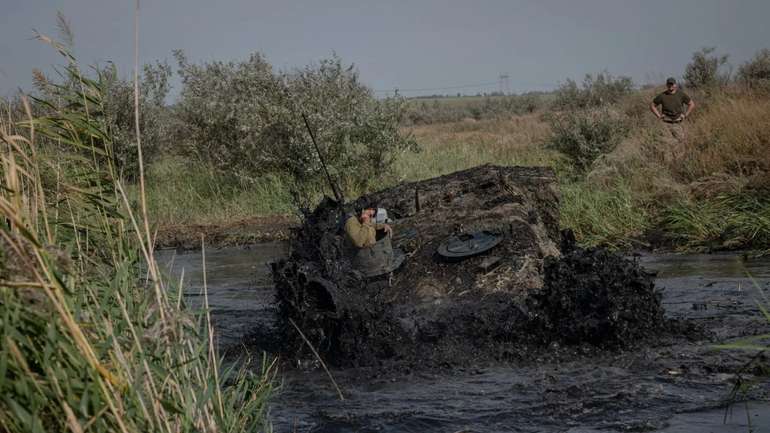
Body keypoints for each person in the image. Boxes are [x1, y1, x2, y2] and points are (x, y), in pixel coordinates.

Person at [650, 77, 695, 143]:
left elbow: (691, 104)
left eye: (672, 84)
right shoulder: (662, 95)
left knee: (681, 141)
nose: (670, 86)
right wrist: (659, 116)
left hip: (678, 123)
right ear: (666, 85)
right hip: (665, 123)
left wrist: (685, 115)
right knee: (665, 143)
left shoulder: (681, 94)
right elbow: (652, 106)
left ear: (675, 85)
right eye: (669, 84)